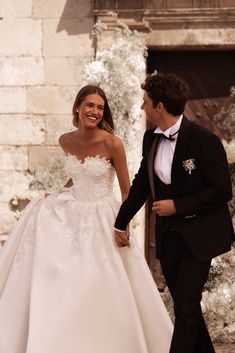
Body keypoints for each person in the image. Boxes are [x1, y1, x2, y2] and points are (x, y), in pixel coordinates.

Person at [0, 84, 173, 353]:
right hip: (72, 212)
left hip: (102, 215)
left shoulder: (112, 143)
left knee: (100, 279)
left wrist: (123, 225)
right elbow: (76, 176)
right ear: (78, 107)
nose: (94, 111)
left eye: (100, 107)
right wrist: (58, 194)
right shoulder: (65, 140)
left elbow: (129, 190)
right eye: (90, 105)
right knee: (58, 266)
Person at [114, 73, 235, 353]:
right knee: (186, 304)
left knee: (185, 305)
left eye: (145, 102)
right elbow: (142, 183)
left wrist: (177, 206)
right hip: (169, 238)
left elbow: (222, 191)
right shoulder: (150, 139)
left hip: (200, 235)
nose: (142, 107)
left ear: (159, 106)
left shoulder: (204, 141)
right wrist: (121, 222)